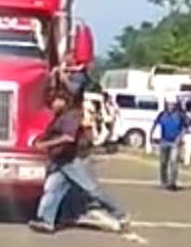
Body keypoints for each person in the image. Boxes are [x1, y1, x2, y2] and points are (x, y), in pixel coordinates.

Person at [29, 92, 129, 234]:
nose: (52, 104)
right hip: (61, 160)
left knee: (92, 190)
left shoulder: (72, 116)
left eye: (55, 101)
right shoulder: (60, 117)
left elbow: (68, 137)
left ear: (64, 101)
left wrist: (45, 143)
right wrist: (39, 141)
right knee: (53, 189)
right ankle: (46, 221)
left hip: (72, 160)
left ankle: (120, 214)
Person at [151, 100, 188, 190]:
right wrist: (151, 136)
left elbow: (184, 127)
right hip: (164, 141)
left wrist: (180, 137)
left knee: (173, 161)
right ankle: (164, 181)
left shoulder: (179, 116)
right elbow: (155, 124)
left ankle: (172, 182)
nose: (171, 106)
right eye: (169, 105)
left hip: (174, 142)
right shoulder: (162, 115)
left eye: (172, 105)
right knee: (163, 162)